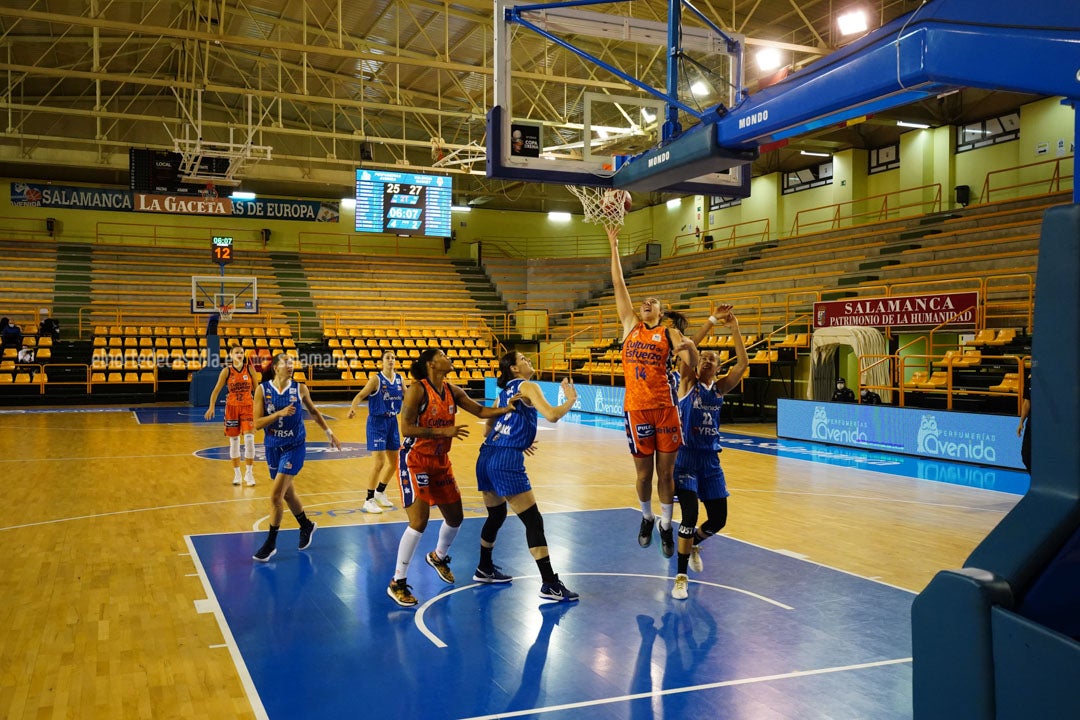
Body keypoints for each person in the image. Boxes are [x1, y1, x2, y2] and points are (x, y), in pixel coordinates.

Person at [386, 348, 518, 607]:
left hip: (440, 462)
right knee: (419, 521)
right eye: (443, 355)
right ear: (432, 364)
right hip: (415, 460)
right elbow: (406, 428)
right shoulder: (417, 390)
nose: (449, 357)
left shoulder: (452, 390)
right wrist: (444, 431)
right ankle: (397, 581)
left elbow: (479, 411)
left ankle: (438, 556)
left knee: (456, 517)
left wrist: (506, 409)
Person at [607, 225, 696, 558]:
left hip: (665, 408)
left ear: (660, 311)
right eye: (643, 301)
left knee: (666, 473)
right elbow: (618, 283)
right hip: (637, 409)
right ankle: (646, 517)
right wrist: (613, 244)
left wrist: (692, 349)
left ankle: (665, 525)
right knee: (644, 475)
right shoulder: (630, 325)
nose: (646, 303)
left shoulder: (668, 333)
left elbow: (690, 359)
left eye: (652, 303)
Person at [474, 351, 580, 602]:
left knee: (497, 514)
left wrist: (516, 438)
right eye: (523, 359)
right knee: (533, 521)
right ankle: (550, 584)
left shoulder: (502, 394)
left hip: (486, 455)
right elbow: (552, 416)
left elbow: (488, 428)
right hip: (505, 460)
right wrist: (571, 399)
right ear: (513, 368)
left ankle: (484, 567)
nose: (528, 360)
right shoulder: (528, 386)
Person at [670, 309, 749, 600]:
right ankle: (680, 577)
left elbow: (743, 363)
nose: (706, 360)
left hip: (711, 461)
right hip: (686, 458)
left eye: (711, 359)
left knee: (718, 520)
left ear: (717, 367)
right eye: (703, 357)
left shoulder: (720, 388)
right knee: (689, 515)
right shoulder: (687, 382)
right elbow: (685, 351)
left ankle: (693, 545)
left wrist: (735, 326)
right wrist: (712, 322)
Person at [251, 353, 341, 562]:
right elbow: (257, 423)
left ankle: (271, 543)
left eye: (292, 363)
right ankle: (306, 525)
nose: (291, 366)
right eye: (286, 363)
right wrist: (278, 414)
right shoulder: (262, 390)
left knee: (275, 496)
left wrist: (330, 433)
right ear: (275, 367)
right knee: (288, 494)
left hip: (295, 446)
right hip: (273, 446)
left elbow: (315, 412)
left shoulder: (300, 388)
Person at [347, 350, 404, 513]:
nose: (391, 360)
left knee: (395, 463)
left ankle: (380, 492)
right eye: (388, 358)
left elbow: (409, 397)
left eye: (393, 358)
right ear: (382, 362)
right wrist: (353, 408)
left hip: (392, 422)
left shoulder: (400, 379)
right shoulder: (376, 379)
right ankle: (368, 499)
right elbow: (360, 395)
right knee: (379, 462)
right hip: (377, 423)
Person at [204, 344, 260, 486]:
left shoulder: (250, 369)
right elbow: (216, 390)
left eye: (241, 352)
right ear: (231, 355)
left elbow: (258, 390)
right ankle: (237, 475)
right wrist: (211, 406)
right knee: (234, 442)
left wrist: (261, 407)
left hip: (248, 407)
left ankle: (249, 473)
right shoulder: (226, 371)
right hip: (232, 408)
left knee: (249, 440)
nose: (240, 354)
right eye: (237, 352)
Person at [1018, 369, 1031, 472]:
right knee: (1026, 455)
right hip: (1032, 422)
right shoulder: (1030, 380)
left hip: (1045, 423)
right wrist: (1021, 422)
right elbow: (1027, 402)